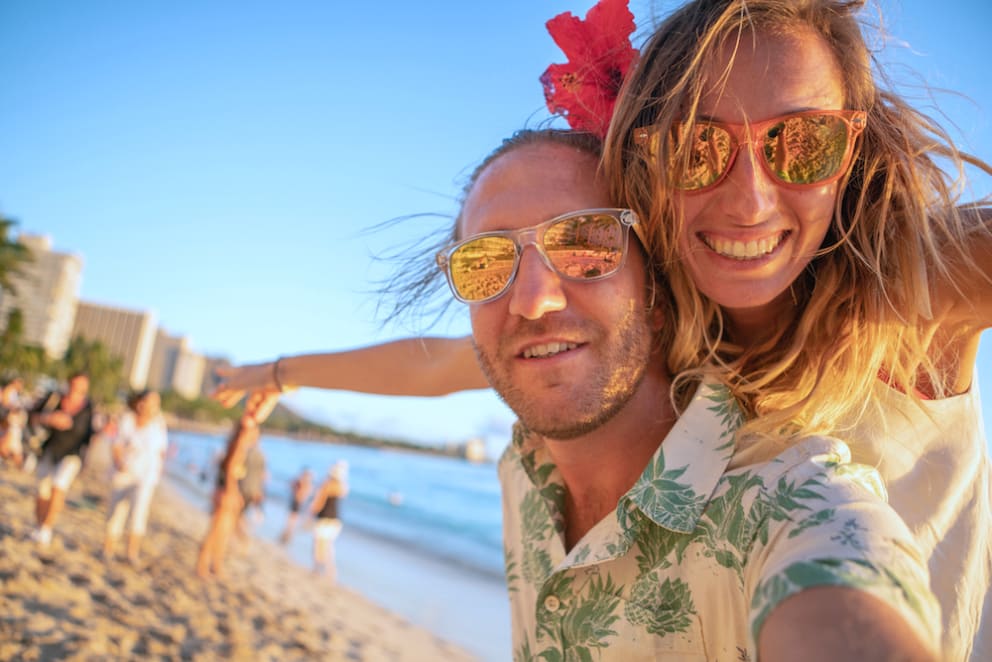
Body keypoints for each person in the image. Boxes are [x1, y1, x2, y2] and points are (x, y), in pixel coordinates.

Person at [215, 1, 992, 657]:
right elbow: (439, 365)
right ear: (648, 175)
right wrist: (281, 373)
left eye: (803, 143)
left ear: (849, 150)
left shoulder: (915, 277)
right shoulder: (664, 309)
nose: (751, 199)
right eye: (697, 147)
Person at [196, 390, 279, 579]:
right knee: (218, 530)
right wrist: (232, 492)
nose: (256, 431)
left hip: (231, 492)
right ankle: (205, 563)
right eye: (254, 428)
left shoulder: (244, 444)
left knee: (223, 531)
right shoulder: (241, 442)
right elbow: (233, 467)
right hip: (228, 493)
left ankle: (215, 564)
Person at [28, 372, 95, 548]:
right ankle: (39, 525)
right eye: (75, 385)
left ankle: (46, 529)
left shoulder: (88, 408)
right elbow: (31, 417)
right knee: (42, 491)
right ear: (68, 384)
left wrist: (87, 458)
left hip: (72, 455)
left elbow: (89, 436)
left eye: (82, 387)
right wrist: (49, 418)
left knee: (58, 488)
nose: (77, 390)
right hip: (49, 451)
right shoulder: (53, 398)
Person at [102, 389, 169, 563]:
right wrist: (119, 462)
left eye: (156, 403)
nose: (153, 406)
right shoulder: (127, 420)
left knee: (139, 512)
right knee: (115, 512)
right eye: (150, 401)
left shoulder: (159, 423)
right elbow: (116, 444)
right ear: (140, 403)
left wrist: (160, 468)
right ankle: (108, 550)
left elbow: (162, 450)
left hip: (146, 476)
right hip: (124, 472)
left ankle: (132, 553)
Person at [309, 461, 348, 582]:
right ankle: (331, 571)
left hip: (324, 518)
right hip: (335, 520)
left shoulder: (326, 485)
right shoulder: (341, 487)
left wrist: (311, 513)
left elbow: (318, 502)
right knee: (329, 547)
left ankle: (317, 568)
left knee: (318, 545)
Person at [280, 466, 313, 545]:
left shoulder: (303, 482)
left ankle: (288, 534)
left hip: (298, 502)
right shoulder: (302, 482)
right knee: (292, 519)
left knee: (292, 519)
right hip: (298, 502)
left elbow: (303, 493)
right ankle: (287, 534)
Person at [0, 376, 27, 468]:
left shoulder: (14, 393)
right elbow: (6, 404)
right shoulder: (9, 390)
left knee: (12, 447)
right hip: (9, 422)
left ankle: (15, 463)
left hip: (11, 422)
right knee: (9, 445)